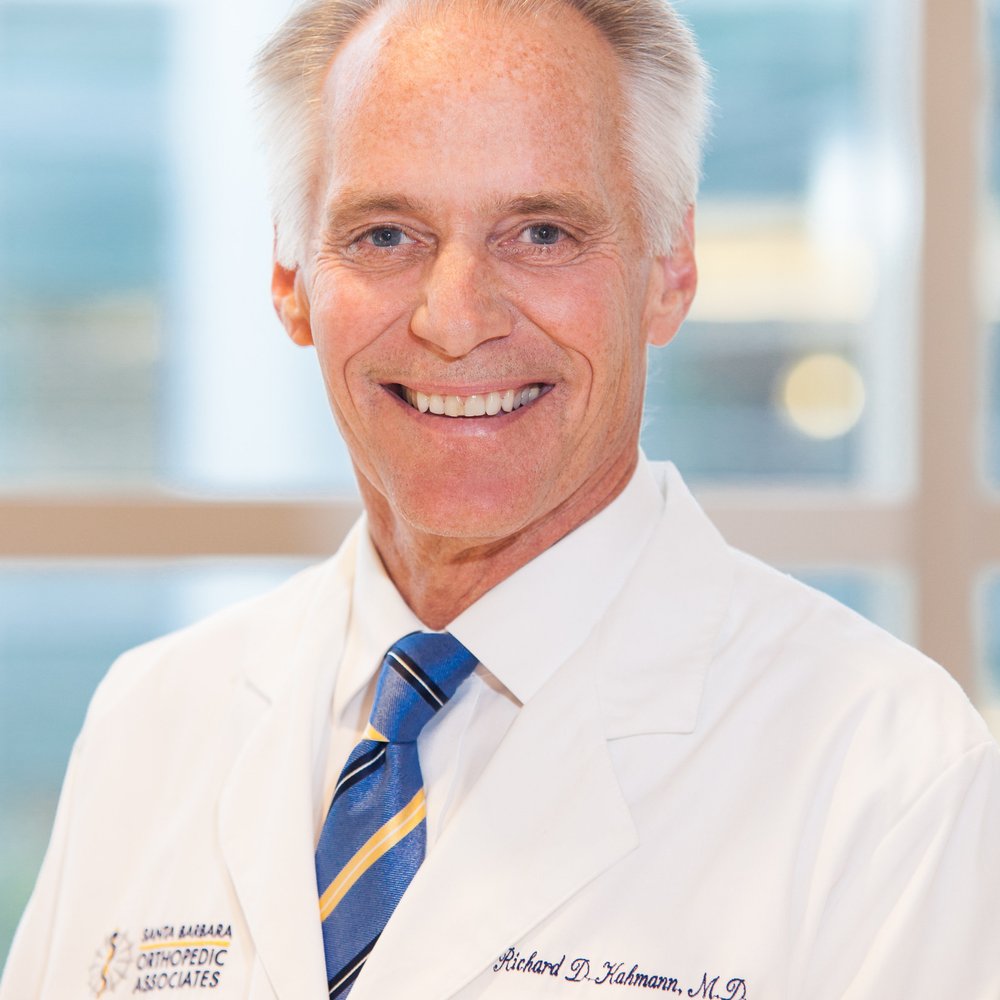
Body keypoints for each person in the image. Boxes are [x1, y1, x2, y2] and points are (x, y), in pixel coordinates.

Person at [3, 0, 1000, 997]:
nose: (454, 319)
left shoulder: (889, 773)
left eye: (541, 232)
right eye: (385, 234)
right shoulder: (150, 720)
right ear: (289, 277)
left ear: (669, 267)